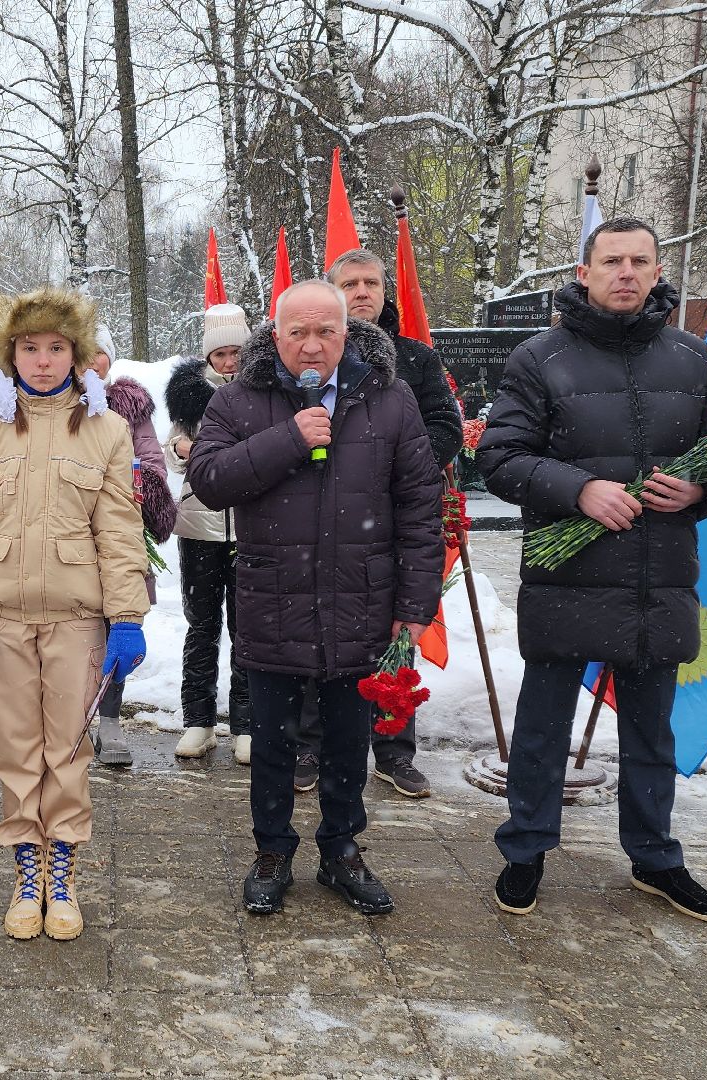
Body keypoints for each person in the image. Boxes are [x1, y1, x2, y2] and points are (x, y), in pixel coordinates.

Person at [475, 218, 707, 923]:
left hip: (660, 577)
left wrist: (702, 491)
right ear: (584, 272)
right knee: (541, 727)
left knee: (652, 731)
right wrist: (577, 489)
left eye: (639, 261)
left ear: (657, 273)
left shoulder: (691, 358)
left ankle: (655, 857)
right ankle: (524, 850)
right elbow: (497, 458)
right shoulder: (540, 358)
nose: (625, 272)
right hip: (569, 575)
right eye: (611, 260)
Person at [187, 280, 442, 917]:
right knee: (273, 742)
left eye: (325, 332)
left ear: (345, 336)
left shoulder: (389, 399)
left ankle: (341, 850)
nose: (311, 345)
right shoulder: (243, 400)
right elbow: (209, 481)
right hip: (274, 599)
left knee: (347, 739)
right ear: (274, 337)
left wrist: (415, 602)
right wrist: (290, 438)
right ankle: (272, 851)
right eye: (297, 332)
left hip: (362, 602)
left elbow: (419, 505)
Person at [0, 286, 150, 942]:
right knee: (15, 751)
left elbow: (118, 531)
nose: (44, 360)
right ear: (11, 353)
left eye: (57, 348)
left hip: (76, 621)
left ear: (77, 355)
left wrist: (128, 616)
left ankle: (65, 873)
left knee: (68, 752)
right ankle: (27, 875)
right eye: (31, 348)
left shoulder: (105, 429)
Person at [299, 248, 464, 799]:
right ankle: (311, 745)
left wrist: (399, 461)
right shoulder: (309, 356)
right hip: (320, 519)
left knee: (392, 634)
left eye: (372, 282)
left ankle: (394, 748)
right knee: (315, 628)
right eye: (351, 283)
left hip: (392, 517)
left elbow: (445, 426)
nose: (363, 292)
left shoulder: (415, 358)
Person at [164, 303, 251, 762]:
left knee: (247, 627)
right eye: (220, 354)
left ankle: (246, 722)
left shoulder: (263, 388)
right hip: (199, 523)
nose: (229, 362)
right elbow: (172, 448)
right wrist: (183, 447)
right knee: (202, 624)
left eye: (236, 351)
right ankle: (198, 719)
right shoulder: (190, 394)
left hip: (252, 528)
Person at [86, 324, 174, 767]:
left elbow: (151, 460)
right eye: (85, 350)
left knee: (115, 624)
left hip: (118, 530)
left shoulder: (128, 406)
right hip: (63, 536)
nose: (92, 361)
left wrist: (144, 487)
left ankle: (109, 718)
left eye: (101, 352)